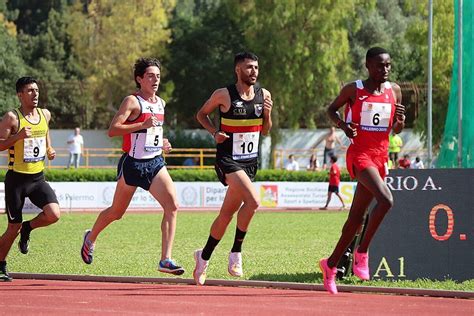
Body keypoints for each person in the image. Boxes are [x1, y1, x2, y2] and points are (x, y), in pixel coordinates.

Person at [80, 58, 184, 275]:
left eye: (157, 75)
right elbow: (113, 129)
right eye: (150, 76)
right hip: (133, 164)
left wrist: (163, 143)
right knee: (116, 212)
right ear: (139, 79)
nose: (155, 80)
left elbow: (154, 132)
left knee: (172, 205)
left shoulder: (161, 103)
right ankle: (91, 237)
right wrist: (141, 125)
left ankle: (165, 259)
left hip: (155, 162)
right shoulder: (132, 101)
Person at [320, 47, 405, 294]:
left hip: (380, 158)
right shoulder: (353, 89)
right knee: (386, 200)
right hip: (360, 155)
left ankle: (331, 264)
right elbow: (330, 110)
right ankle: (363, 252)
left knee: (355, 219)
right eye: (380, 65)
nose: (385, 69)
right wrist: (344, 126)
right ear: (368, 65)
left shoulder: (394, 91)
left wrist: (400, 121)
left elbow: (397, 129)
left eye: (388, 65)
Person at [194, 52, 273, 285]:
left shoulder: (264, 95)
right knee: (254, 201)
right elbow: (201, 114)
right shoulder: (223, 94)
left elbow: (266, 130)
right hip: (228, 160)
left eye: (256, 67)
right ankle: (236, 252)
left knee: (226, 215)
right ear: (238, 70)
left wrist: (267, 114)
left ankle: (203, 256)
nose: (254, 72)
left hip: (250, 163)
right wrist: (214, 132)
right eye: (249, 67)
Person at [0, 77, 61, 282]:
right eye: (29, 91)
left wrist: (49, 148)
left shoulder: (45, 114)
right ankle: (0, 264)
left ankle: (29, 228)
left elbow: (44, 133)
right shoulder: (12, 118)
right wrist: (17, 137)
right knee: (12, 227)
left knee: (53, 214)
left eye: (36, 90)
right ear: (20, 94)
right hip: (16, 180)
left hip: (37, 178)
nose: (35, 94)